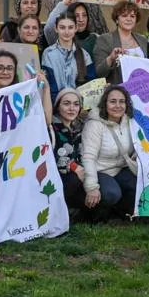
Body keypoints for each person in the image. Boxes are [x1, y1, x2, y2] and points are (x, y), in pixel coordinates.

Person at [81, 84, 139, 220]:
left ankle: (120, 211)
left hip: (121, 168)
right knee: (111, 193)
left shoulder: (130, 121)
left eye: (122, 101)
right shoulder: (94, 125)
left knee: (139, 186)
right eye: (113, 101)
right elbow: (88, 157)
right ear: (104, 104)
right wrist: (91, 187)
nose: (117, 106)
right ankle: (92, 214)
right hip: (100, 171)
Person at [49, 88, 91, 222]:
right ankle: (54, 215)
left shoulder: (80, 126)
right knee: (73, 179)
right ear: (58, 106)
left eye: (76, 104)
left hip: (79, 176)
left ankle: (71, 213)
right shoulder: (50, 128)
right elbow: (49, 158)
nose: (72, 108)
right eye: (66, 104)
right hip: (57, 179)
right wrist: (73, 166)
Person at [40, 11, 93, 94]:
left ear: (76, 28)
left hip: (78, 104)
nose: (67, 32)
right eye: (62, 27)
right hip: (56, 103)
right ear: (56, 28)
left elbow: (91, 84)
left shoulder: (84, 54)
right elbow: (49, 85)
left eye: (70, 27)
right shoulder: (48, 54)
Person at [94, 0, 148, 81]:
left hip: (141, 87)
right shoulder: (105, 39)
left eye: (132, 16)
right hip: (118, 90)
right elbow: (99, 73)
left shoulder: (143, 39)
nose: (129, 19)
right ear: (116, 19)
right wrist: (111, 58)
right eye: (124, 16)